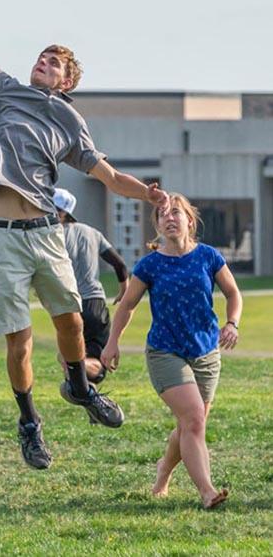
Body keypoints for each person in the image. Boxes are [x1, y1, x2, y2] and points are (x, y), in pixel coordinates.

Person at [0, 0, 168, 470]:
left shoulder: (70, 120)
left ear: (67, 81)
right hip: (2, 237)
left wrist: (146, 193)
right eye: (41, 57)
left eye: (54, 62)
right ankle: (29, 425)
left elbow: (108, 175)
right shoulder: (2, 91)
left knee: (70, 322)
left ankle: (79, 386)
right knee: (19, 339)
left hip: (48, 234)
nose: (42, 63)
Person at [101, 194, 241, 509]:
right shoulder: (150, 264)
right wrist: (112, 343)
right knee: (193, 419)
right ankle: (207, 492)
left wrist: (232, 323)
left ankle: (163, 471)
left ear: (190, 220)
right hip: (165, 352)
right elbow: (127, 306)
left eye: (175, 212)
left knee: (191, 422)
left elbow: (233, 293)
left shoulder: (208, 256)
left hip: (206, 351)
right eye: (162, 215)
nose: (169, 218)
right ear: (158, 226)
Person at [53, 188, 128, 393]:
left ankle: (72, 365)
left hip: (68, 303)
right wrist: (124, 291)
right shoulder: (92, 232)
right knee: (98, 363)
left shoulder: (51, 235)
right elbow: (120, 265)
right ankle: (84, 389)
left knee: (72, 355)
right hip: (95, 302)